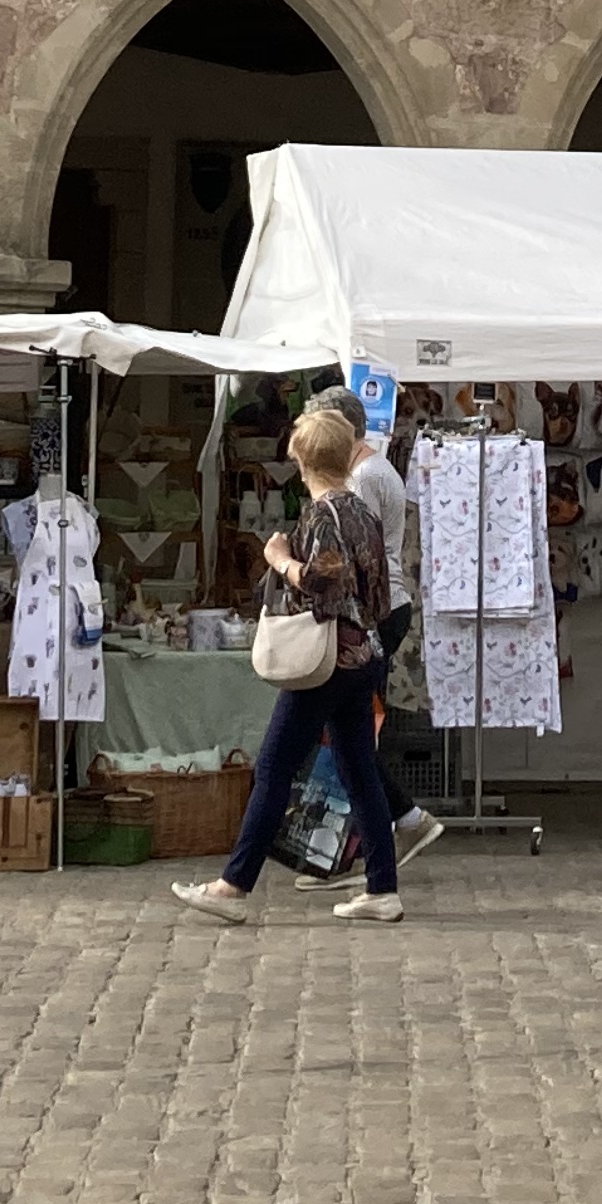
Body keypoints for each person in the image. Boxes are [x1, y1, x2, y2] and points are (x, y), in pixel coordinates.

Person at [175, 392, 404, 926]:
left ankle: (233, 885)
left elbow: (322, 584)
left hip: (326, 661)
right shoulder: (364, 514)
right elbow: (379, 594)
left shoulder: (322, 515)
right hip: (362, 653)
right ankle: (383, 887)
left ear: (303, 462)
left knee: (275, 766)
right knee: (359, 768)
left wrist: (280, 560)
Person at [347, 401, 443, 869]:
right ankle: (387, 834)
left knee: (351, 735)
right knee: (350, 734)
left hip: (373, 611)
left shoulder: (365, 478)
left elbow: (357, 554)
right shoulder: (375, 471)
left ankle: (386, 839)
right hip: (379, 608)